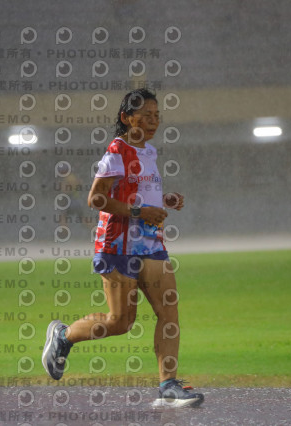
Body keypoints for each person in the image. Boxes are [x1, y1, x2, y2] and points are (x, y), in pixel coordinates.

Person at [42, 89, 204, 408]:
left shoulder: (149, 152)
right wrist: (142, 211)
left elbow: (137, 192)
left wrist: (164, 200)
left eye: (157, 116)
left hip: (150, 243)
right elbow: (96, 199)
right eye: (146, 116)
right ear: (127, 118)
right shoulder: (117, 151)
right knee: (120, 322)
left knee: (168, 311)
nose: (154, 121)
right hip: (117, 244)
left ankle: (168, 386)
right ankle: (63, 336)